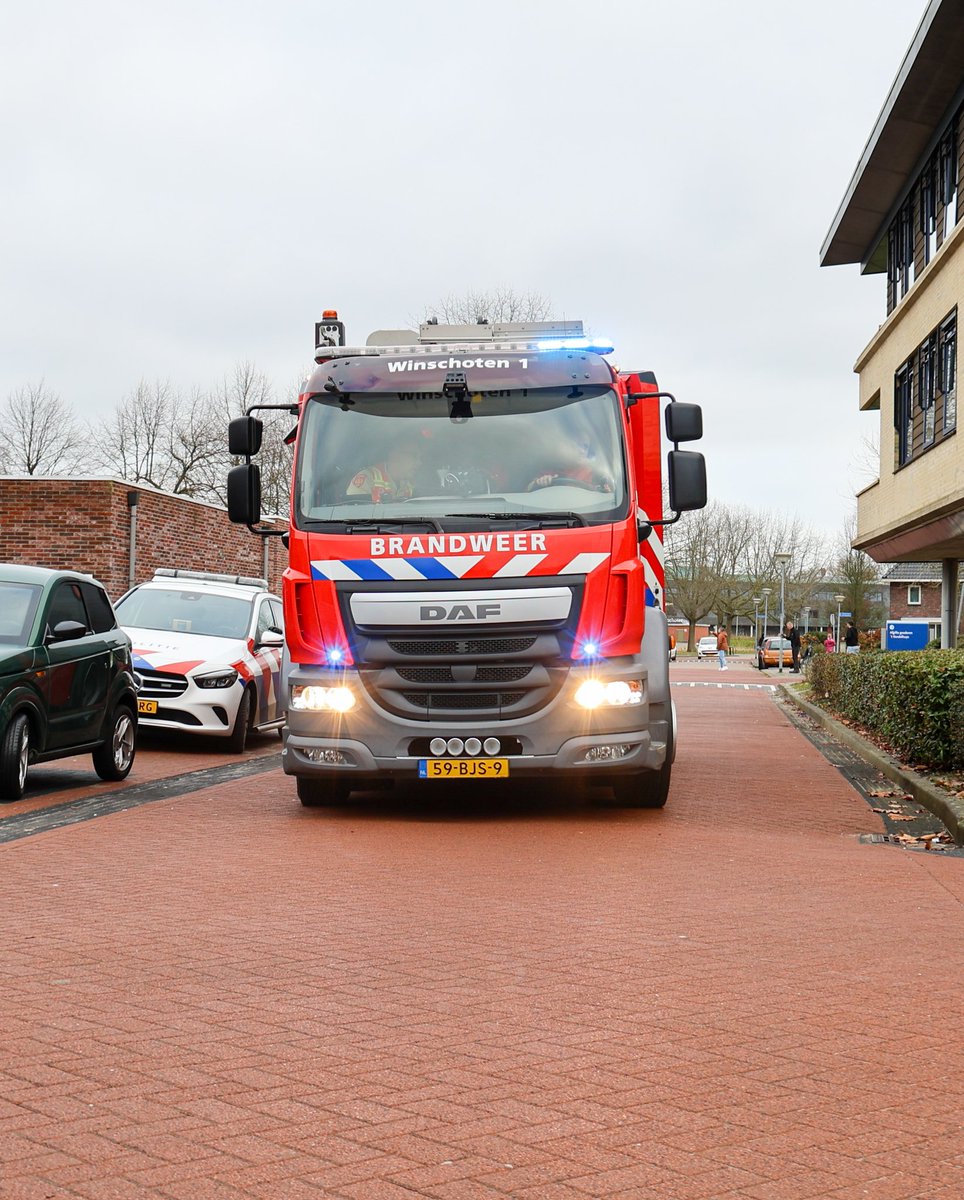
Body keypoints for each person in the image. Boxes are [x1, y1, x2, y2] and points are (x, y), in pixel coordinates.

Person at [527, 434, 613, 492]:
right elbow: (528, 489)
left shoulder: (595, 473)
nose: (582, 450)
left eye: (585, 446)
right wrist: (539, 482)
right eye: (578, 445)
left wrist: (605, 490)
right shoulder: (551, 467)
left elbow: (608, 494)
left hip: (585, 517)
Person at [347, 439, 421, 503]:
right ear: (395, 454)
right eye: (414, 456)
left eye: (419, 458)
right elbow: (354, 514)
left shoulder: (412, 485)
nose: (419, 462)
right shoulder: (367, 479)